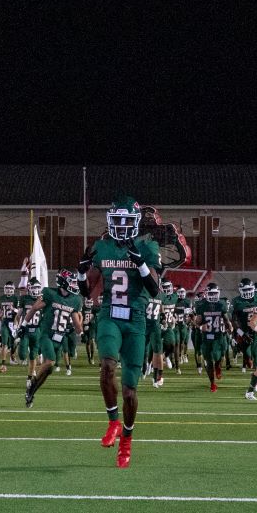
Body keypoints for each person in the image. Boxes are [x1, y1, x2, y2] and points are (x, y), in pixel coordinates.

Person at [77, 195, 161, 468]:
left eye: (126, 220)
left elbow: (155, 288)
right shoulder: (102, 247)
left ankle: (126, 438)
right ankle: (113, 421)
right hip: (109, 314)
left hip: (136, 320)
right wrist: (80, 275)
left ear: (135, 222)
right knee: (106, 367)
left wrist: (141, 263)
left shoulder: (148, 247)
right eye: (117, 221)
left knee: (129, 392)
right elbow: (87, 291)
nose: (122, 226)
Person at [24, 269, 83, 407]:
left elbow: (77, 326)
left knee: (48, 370)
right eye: (72, 282)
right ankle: (32, 384)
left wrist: (80, 328)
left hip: (60, 338)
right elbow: (34, 308)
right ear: (63, 282)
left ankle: (31, 391)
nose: (74, 285)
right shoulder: (51, 294)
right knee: (50, 362)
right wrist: (23, 325)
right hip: (46, 335)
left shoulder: (75, 300)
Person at [192, 282, 232, 392]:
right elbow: (197, 322)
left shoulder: (221, 304)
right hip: (206, 337)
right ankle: (212, 383)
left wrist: (230, 326)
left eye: (215, 294)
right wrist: (200, 327)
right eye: (211, 293)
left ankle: (218, 366)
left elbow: (226, 318)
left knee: (217, 356)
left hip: (218, 335)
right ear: (206, 293)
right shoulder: (201, 305)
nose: (214, 296)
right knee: (208, 361)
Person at [230, 278, 257, 373]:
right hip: (244, 331)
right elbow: (234, 322)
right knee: (247, 358)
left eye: (249, 289)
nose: (247, 292)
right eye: (245, 290)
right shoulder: (236, 301)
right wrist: (242, 333)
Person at [16, 278, 43, 378]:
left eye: (37, 288)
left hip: (37, 329)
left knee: (33, 354)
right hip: (26, 329)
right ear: (29, 288)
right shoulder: (24, 299)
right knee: (22, 355)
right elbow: (19, 314)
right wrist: (17, 326)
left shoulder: (42, 299)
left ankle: (32, 372)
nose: (36, 290)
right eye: (34, 287)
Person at [0, 281, 19, 373]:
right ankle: (3, 363)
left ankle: (12, 357)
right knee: (4, 343)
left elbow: (19, 311)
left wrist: (13, 309)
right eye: (7, 288)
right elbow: (2, 310)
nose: (8, 290)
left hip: (13, 322)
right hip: (5, 322)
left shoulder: (16, 298)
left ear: (13, 289)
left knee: (14, 342)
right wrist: (0, 315)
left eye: (10, 288)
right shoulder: (2, 298)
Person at [81, 296, 99, 365]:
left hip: (92, 326)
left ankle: (92, 357)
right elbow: (80, 317)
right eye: (87, 302)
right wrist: (83, 325)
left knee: (92, 340)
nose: (88, 304)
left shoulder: (94, 308)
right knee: (87, 342)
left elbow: (97, 314)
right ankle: (89, 357)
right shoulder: (82, 308)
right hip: (85, 326)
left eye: (90, 302)